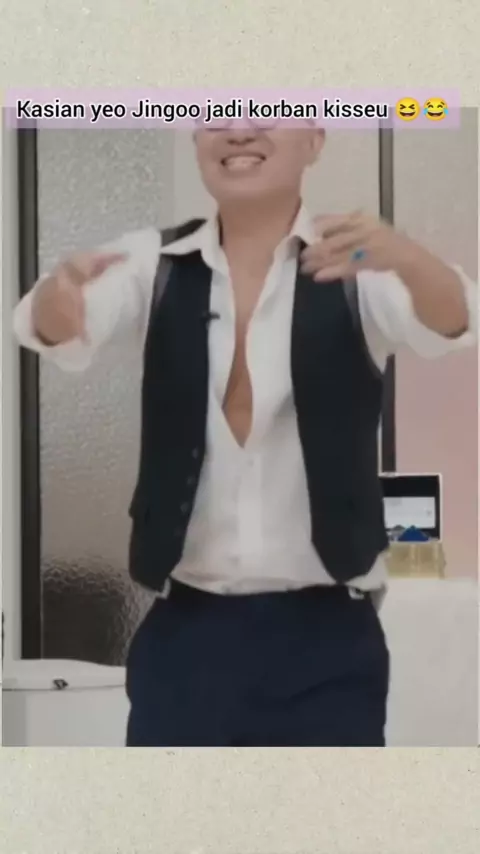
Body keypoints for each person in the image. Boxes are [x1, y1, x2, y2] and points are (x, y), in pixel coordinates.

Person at [14, 124, 477, 747]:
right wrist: (60, 298)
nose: (239, 128)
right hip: (185, 634)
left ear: (315, 140)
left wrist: (407, 256)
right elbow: (49, 325)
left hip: (329, 638)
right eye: (218, 113)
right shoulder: (154, 263)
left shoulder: (355, 262)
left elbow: (454, 320)